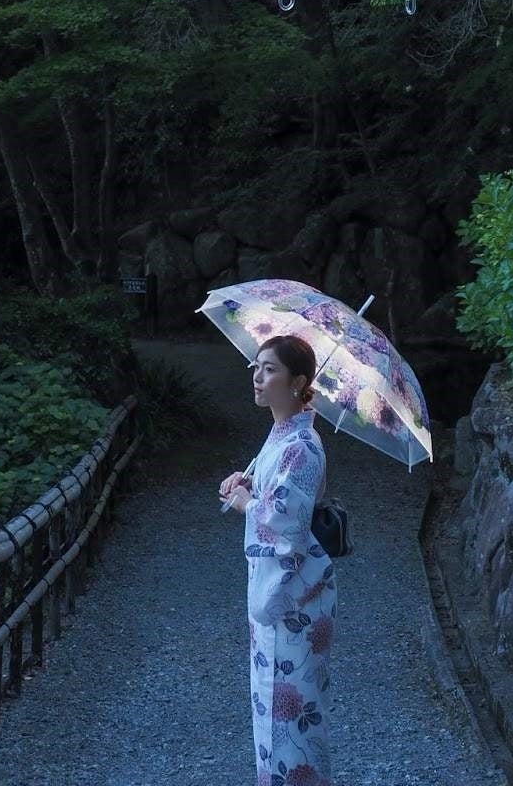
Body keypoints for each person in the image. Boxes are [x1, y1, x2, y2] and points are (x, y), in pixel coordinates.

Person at [221, 334, 335, 786]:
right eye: (256, 366)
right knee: (273, 710)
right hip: (282, 593)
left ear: (298, 382)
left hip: (297, 597)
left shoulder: (302, 446)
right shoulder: (282, 436)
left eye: (269, 369)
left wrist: (248, 505)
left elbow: (285, 527)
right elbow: (270, 494)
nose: (257, 376)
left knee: (295, 716)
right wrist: (244, 484)